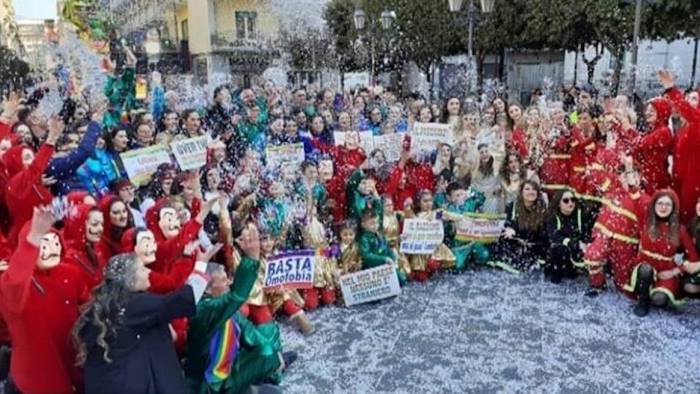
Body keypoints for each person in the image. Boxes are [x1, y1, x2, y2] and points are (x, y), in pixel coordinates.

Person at [184, 221, 297, 394]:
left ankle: (274, 368)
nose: (229, 282)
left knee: (267, 350)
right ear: (207, 289)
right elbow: (236, 296)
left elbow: (249, 331)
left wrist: (274, 356)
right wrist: (251, 259)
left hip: (231, 366)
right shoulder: (203, 311)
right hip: (213, 385)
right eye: (224, 280)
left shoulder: (223, 309)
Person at [74, 252, 207, 394]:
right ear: (130, 278)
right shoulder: (134, 304)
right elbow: (182, 300)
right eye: (143, 268)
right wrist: (201, 266)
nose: (149, 271)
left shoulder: (104, 305)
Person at [0, 207, 88, 394]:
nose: (52, 249)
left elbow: (87, 302)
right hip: (37, 378)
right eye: (44, 243)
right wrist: (33, 239)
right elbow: (14, 285)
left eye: (56, 242)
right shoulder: (15, 282)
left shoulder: (69, 272)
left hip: (74, 364)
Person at [623, 190, 698, 317]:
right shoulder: (645, 220)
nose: (663, 207)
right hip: (644, 264)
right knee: (645, 270)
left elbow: (694, 258)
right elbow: (635, 196)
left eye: (668, 204)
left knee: (659, 300)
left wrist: (674, 271)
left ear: (673, 207)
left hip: (666, 270)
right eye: (660, 203)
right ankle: (643, 300)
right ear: (654, 205)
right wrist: (630, 174)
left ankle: (654, 291)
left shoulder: (680, 229)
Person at [495, 180, 547, 273]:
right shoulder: (513, 206)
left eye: (534, 189)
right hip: (517, 240)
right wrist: (511, 229)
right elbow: (509, 222)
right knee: (505, 239)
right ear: (521, 192)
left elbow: (544, 230)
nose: (531, 192)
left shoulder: (542, 207)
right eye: (527, 189)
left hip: (534, 243)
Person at [544, 190, 594, 284]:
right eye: (566, 200)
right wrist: (572, 243)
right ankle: (556, 276)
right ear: (558, 203)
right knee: (559, 249)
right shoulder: (553, 217)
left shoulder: (581, 214)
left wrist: (585, 244)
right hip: (560, 254)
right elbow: (554, 236)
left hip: (577, 250)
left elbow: (587, 232)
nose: (570, 203)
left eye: (572, 199)